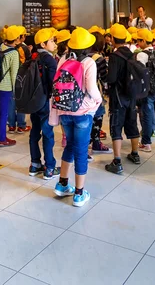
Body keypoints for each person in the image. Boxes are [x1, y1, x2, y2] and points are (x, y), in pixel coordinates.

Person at [51, 27, 102, 207]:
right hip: (82, 113)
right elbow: (91, 89)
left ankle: (62, 184)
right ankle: (79, 193)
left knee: (70, 146)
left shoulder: (63, 59)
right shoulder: (89, 62)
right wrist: (99, 100)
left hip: (65, 110)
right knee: (81, 151)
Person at [105, 23, 140, 176]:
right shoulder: (132, 54)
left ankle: (117, 161)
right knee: (132, 123)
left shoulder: (114, 56)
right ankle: (135, 153)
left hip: (118, 96)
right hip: (131, 95)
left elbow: (111, 78)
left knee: (116, 126)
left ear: (112, 38)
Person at [29, 28, 60, 180]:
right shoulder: (49, 60)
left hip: (33, 101)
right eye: (52, 41)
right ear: (43, 43)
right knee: (47, 134)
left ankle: (35, 164)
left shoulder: (33, 57)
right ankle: (50, 167)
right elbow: (52, 83)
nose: (54, 43)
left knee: (35, 132)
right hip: (45, 102)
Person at [89, 32, 111, 153]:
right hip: (96, 91)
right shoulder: (99, 58)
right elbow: (104, 78)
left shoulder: (83, 55)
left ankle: (86, 142)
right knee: (98, 115)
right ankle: (96, 142)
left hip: (83, 91)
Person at [8, 27, 31, 134]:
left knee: (11, 102)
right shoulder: (23, 48)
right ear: (19, 37)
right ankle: (21, 125)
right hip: (21, 78)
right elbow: (29, 62)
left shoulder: (4, 48)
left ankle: (11, 125)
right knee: (21, 101)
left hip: (8, 80)